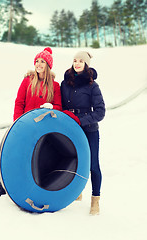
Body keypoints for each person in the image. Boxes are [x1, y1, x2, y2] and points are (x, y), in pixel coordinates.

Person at [0, 47, 62, 199]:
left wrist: (51, 106)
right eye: (37, 61)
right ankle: (3, 186)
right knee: (10, 154)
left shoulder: (55, 86)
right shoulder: (27, 80)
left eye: (42, 61)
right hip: (24, 126)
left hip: (42, 129)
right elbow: (19, 102)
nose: (38, 64)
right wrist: (17, 122)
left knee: (35, 158)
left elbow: (59, 107)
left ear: (48, 65)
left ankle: (32, 188)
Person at [60, 51, 105, 215]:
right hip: (71, 128)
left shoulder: (92, 85)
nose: (77, 63)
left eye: (80, 61)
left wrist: (81, 120)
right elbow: (61, 105)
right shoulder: (65, 83)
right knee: (74, 161)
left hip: (89, 129)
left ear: (86, 64)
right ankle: (76, 192)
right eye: (74, 60)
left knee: (93, 165)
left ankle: (95, 200)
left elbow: (100, 112)